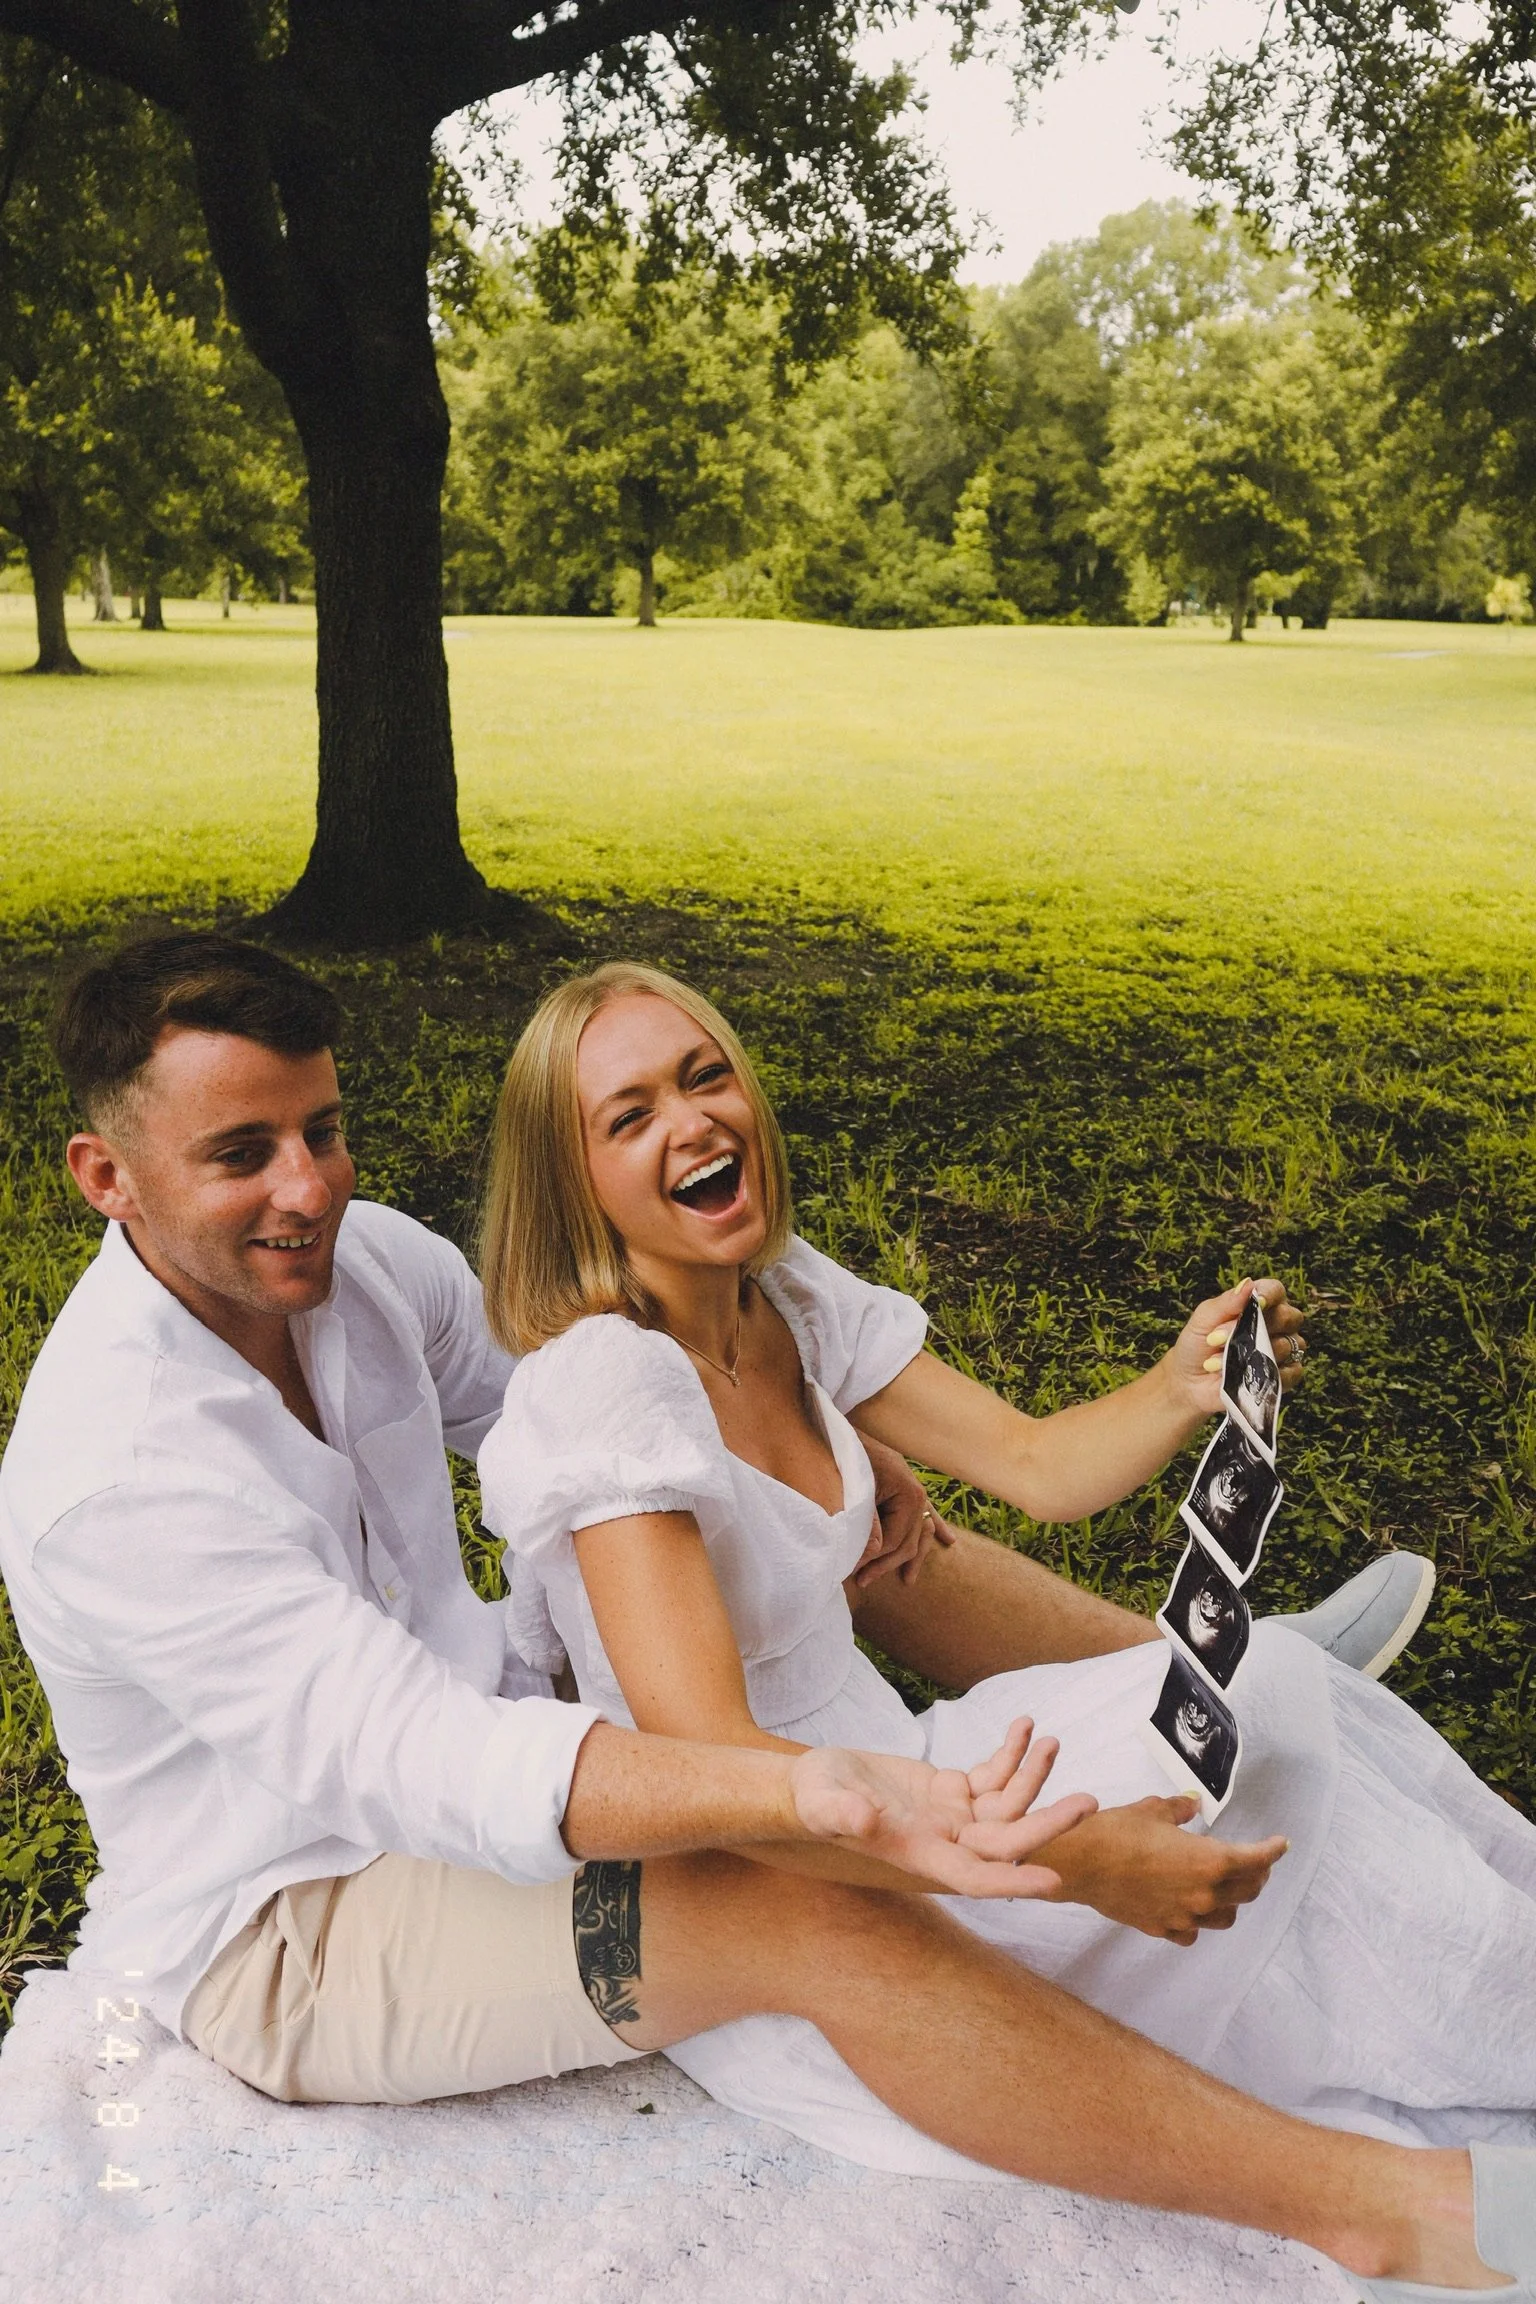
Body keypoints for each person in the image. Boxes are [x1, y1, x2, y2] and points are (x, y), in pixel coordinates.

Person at [1, 932, 1521, 2304]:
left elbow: (543, 1407)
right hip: (301, 1925)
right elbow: (433, 1762)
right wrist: (846, 1799)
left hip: (496, 1729)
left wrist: (830, 1469)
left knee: (854, 1539)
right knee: (798, 1901)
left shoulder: (363, 1260)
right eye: (243, 1153)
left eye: (324, 1130)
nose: (310, 1185)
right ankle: (1382, 2210)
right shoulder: (116, 1479)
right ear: (106, 1176)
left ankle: (1198, 1671)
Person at [477, 956, 1536, 2297]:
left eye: (706, 1075)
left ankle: (1503, 1986)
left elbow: (1037, 1465)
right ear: (571, 1185)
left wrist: (1180, 1384)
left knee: (1273, 1690)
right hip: (806, 1875)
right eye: (628, 1118)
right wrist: (1069, 1860)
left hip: (918, 1765)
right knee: (1261, 1767)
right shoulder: (608, 1387)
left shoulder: (781, 1294)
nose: (693, 1123)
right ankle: (1468, 2058)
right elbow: (721, 1777)